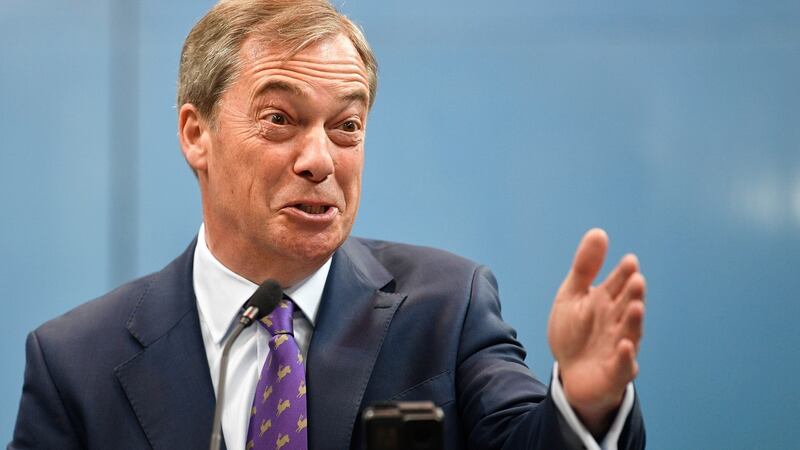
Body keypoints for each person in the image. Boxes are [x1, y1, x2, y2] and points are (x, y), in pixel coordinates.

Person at [9, 0, 646, 449]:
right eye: (281, 120)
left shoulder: (447, 311)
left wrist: (584, 404)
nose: (320, 161)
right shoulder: (75, 364)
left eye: (346, 127)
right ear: (195, 134)